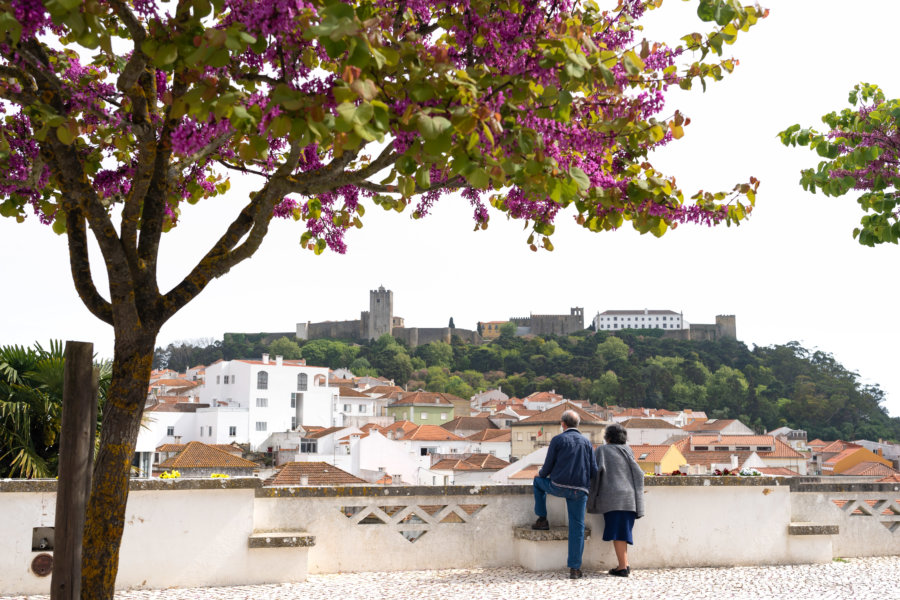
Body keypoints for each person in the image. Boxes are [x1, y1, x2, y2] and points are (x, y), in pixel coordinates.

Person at [532, 409, 598, 579]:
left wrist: (539, 473)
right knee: (577, 528)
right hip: (580, 490)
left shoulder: (558, 440)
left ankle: (542, 519)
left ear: (563, 424)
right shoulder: (587, 443)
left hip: (558, 486)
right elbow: (594, 471)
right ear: (578, 424)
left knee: (537, 483)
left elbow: (546, 469)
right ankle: (575, 569)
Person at [587, 423, 645, 577]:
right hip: (630, 497)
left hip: (614, 497)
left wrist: (592, 496)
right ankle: (624, 564)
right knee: (623, 531)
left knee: (619, 533)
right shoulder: (628, 450)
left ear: (608, 437)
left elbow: (596, 472)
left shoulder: (603, 450)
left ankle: (622, 567)